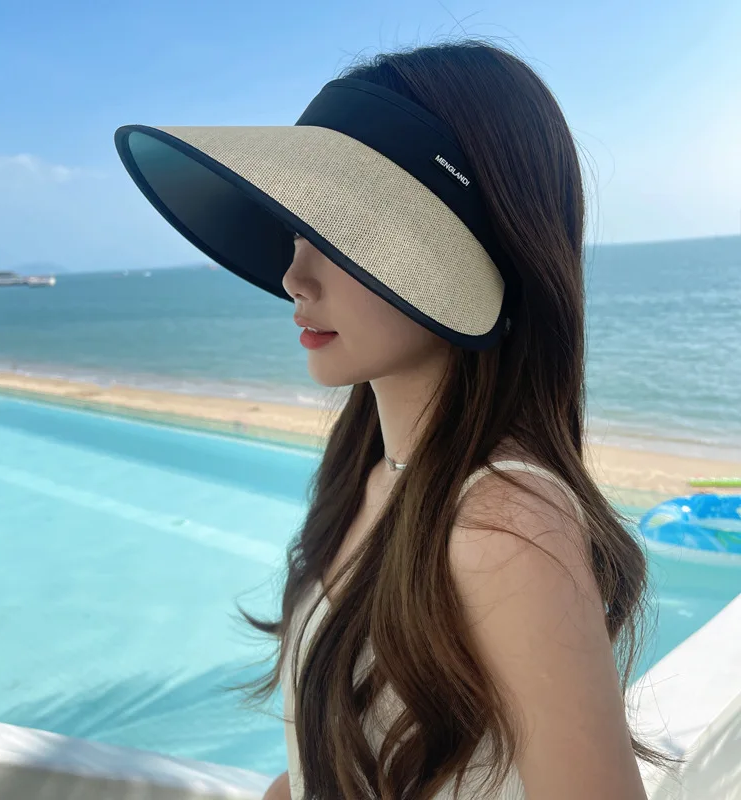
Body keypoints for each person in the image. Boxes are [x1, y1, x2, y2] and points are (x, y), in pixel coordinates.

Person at [115, 37, 680, 800]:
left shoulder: (503, 524)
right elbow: (335, 764)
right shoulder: (374, 473)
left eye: (342, 233)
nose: (295, 275)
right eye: (298, 229)